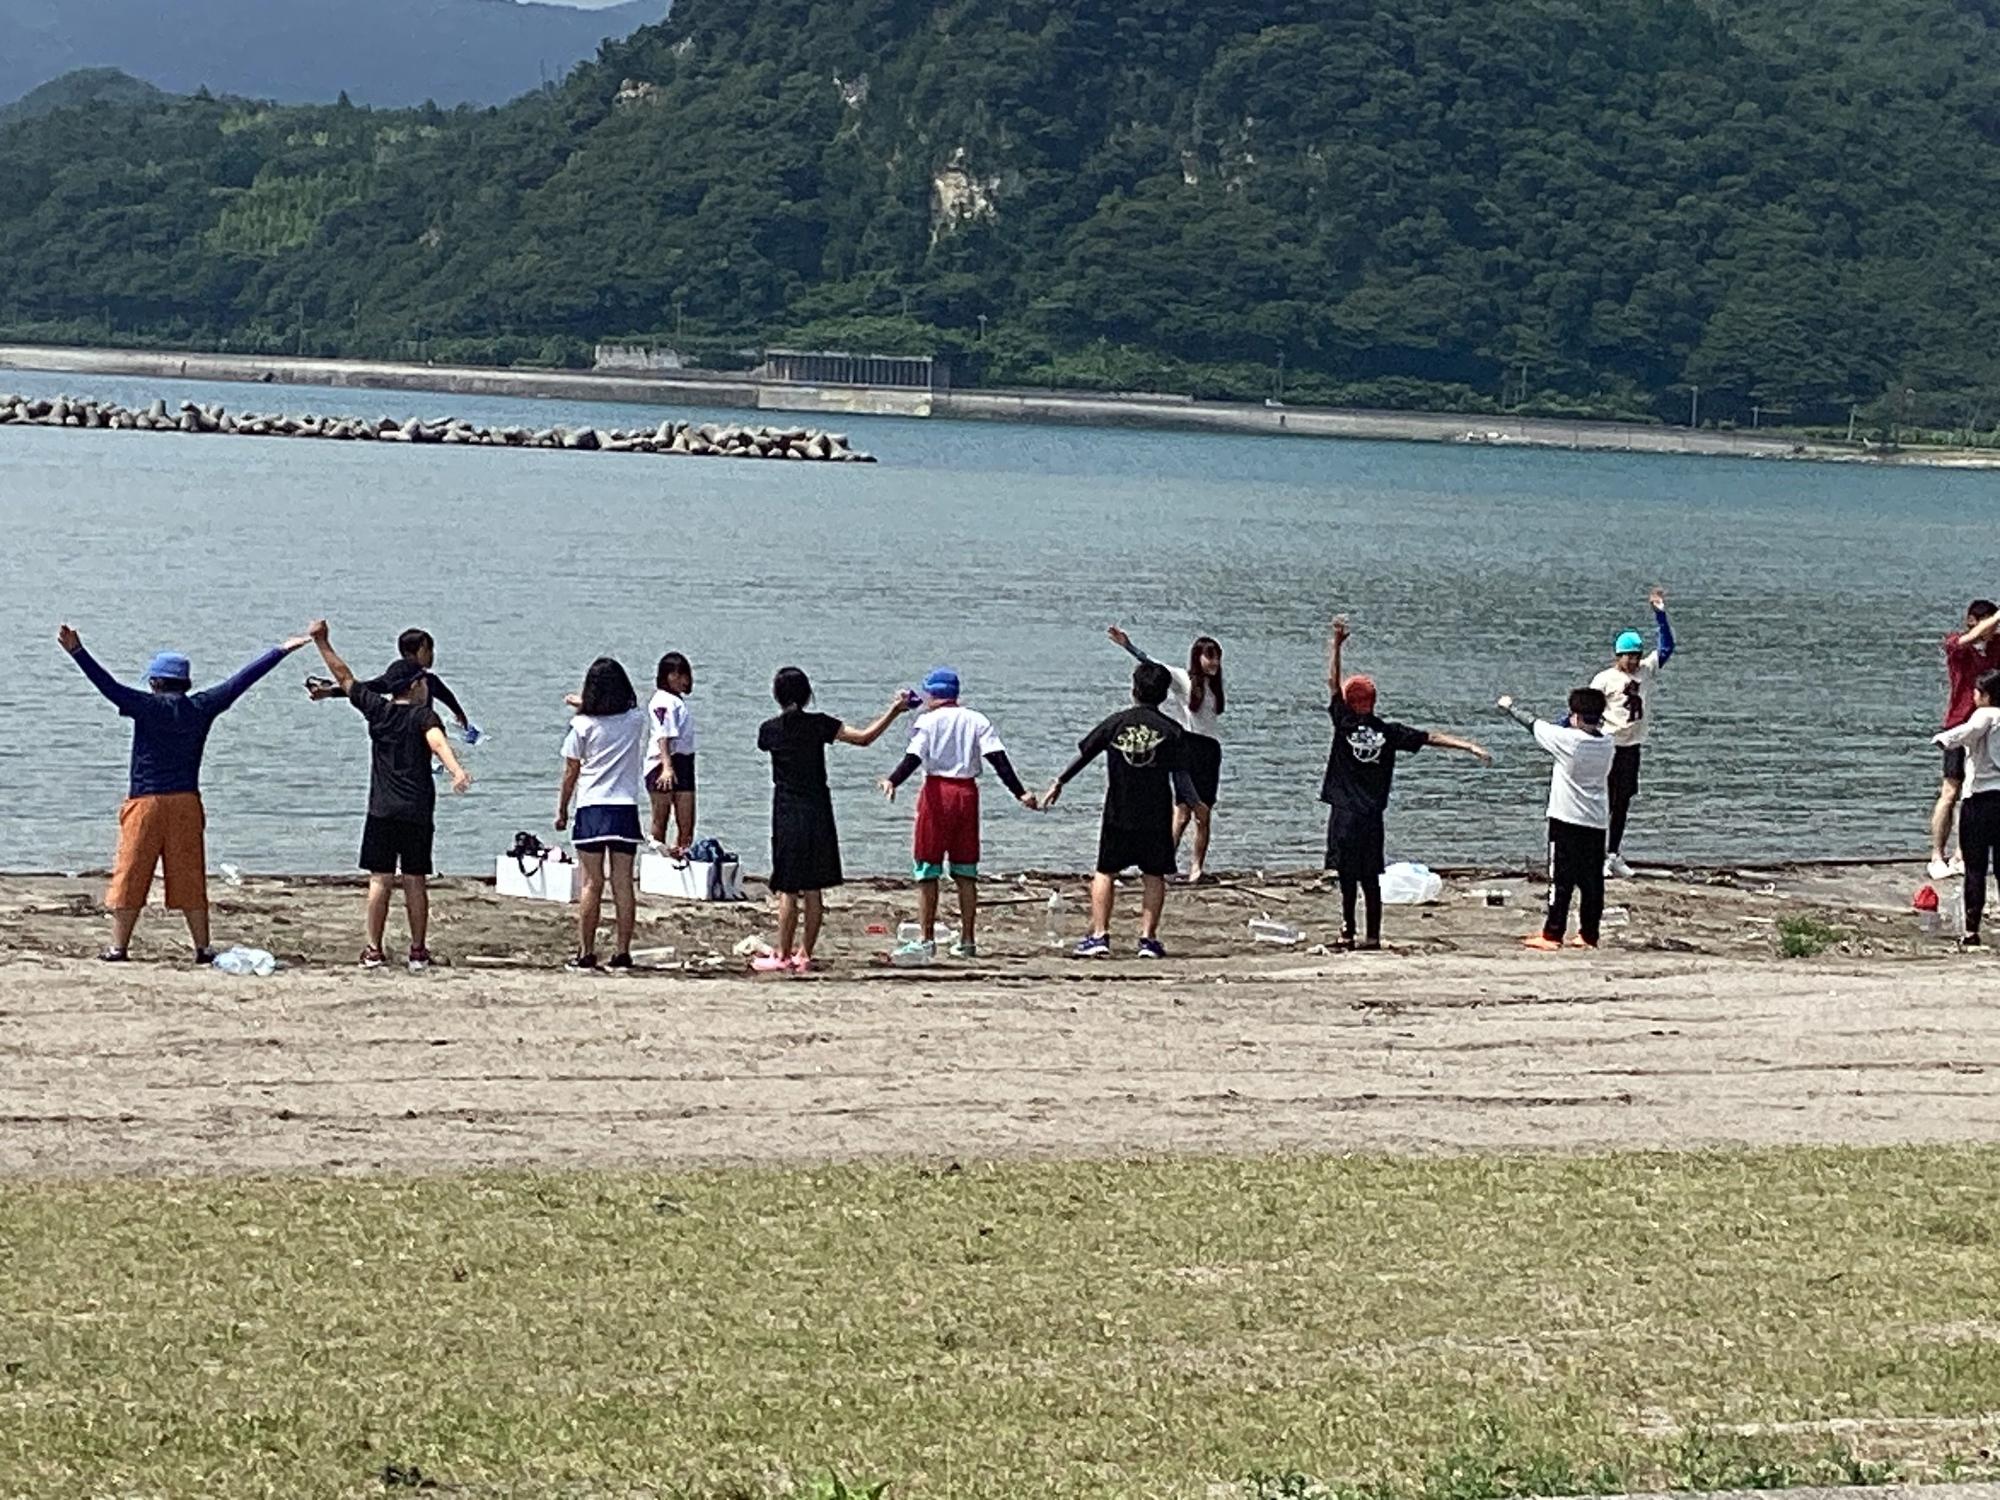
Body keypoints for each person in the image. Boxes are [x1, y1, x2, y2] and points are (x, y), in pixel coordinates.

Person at [58, 621, 311, 963]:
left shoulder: (147, 706)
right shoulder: (201, 706)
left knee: (131, 873)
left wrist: (77, 652)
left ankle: (119, 947)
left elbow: (108, 687)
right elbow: (240, 681)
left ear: (155, 682)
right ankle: (202, 948)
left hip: (145, 802)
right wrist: (279, 651)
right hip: (186, 803)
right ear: (185, 683)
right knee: (190, 875)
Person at [307, 621, 471, 971]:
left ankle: (373, 950)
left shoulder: (377, 712)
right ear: (414, 685)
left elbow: (346, 677)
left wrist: (322, 642)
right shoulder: (423, 715)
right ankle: (417, 951)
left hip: (381, 810)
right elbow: (437, 741)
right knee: (415, 880)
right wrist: (455, 770)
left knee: (380, 879)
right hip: (415, 810)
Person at [1323, 617, 1491, 949]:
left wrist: (1335, 646)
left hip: (1344, 814)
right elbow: (1431, 737)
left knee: (1346, 878)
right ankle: (1372, 936)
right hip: (1371, 816)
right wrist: (1468, 745)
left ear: (1349, 701)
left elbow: (1331, 682)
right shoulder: (1388, 731)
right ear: (1373, 702)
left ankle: (1347, 932)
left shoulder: (1342, 722)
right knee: (1370, 878)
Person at [878, 668, 1039, 964]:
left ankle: (926, 939)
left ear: (933, 695)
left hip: (937, 794)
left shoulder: (926, 721)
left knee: (927, 867)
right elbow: (998, 759)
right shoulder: (977, 719)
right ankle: (967, 939)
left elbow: (913, 758)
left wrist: (893, 780)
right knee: (966, 870)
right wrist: (1020, 793)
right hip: (967, 794)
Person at [756, 669, 910, 973]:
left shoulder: (769, 730)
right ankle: (805, 954)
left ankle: (782, 954)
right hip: (818, 808)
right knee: (813, 888)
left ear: (777, 695)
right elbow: (864, 738)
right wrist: (894, 711)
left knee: (788, 888)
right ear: (806, 693)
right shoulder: (820, 724)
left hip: (786, 809)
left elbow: (765, 745)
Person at [1043, 661, 1187, 958]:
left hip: (1119, 810)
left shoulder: (1116, 723)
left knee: (1106, 871)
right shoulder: (1172, 731)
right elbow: (1181, 777)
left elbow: (1085, 754)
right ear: (1163, 696)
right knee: (1153, 874)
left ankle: (1099, 935)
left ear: (1134, 689)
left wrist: (1060, 781)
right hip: (1156, 813)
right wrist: (1191, 805)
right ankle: (1148, 939)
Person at [1497, 687, 1617, 951]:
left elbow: (1531, 723)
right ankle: (1589, 934)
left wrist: (1508, 706)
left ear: (1575, 716)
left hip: (1566, 819)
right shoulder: (1608, 742)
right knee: (1591, 882)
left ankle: (1552, 934)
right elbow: (1577, 726)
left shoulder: (1568, 741)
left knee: (1560, 879)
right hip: (1596, 820)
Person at [1107, 626, 1224, 882]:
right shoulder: (1184, 679)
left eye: (1217, 656)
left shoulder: (1215, 686)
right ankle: (1163, 865)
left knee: (1204, 814)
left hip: (1210, 751)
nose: (1214, 661)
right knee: (1182, 813)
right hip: (1189, 747)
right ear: (1198, 657)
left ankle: (1196, 868)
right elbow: (1153, 665)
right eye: (1209, 656)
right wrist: (1128, 645)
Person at [555, 658, 648, 971]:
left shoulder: (581, 726)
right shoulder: (635, 720)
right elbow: (619, 712)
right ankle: (622, 952)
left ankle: (586, 951)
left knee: (591, 884)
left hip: (592, 807)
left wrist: (562, 810)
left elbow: (571, 773)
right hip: (624, 808)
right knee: (623, 883)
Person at [1588, 588, 1675, 879]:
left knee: (1623, 801)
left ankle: (1613, 854)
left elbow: (1666, 648)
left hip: (1631, 747)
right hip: (1608, 745)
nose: (1635, 661)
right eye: (1629, 656)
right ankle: (1597, 854)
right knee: (1604, 800)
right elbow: (1586, 708)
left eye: (1637, 655)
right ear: (1618, 655)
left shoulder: (1646, 672)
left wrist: (1660, 614)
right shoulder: (1605, 679)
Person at [310, 628, 476, 741]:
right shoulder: (401, 670)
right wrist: (331, 692)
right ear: (420, 649)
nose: (432, 655)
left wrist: (460, 714)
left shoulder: (429, 679)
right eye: (429, 650)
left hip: (421, 727)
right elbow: (372, 686)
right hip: (405, 727)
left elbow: (446, 695)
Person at [1933, 600, 2000, 879]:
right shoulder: (1956, 646)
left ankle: (1962, 854)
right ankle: (1937, 855)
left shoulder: (1997, 647)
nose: (1993, 630)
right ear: (1972, 620)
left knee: (1974, 794)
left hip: (1990, 726)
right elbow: (1969, 639)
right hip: (1960, 724)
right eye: (1990, 624)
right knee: (1951, 791)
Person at [1935, 667, 2000, 949]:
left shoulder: (1985, 714)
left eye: (1976, 692)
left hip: (1980, 799)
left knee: (1975, 867)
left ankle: (1972, 931)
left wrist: (1943, 739)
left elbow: (1966, 732)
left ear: (1984, 695)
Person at [645, 652, 698, 853]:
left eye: (684, 675)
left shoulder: (677, 701)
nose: (682, 680)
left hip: (684, 761)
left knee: (687, 823)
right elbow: (663, 735)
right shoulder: (662, 701)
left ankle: (681, 859)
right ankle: (657, 863)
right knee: (661, 820)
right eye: (676, 675)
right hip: (662, 762)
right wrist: (667, 767)